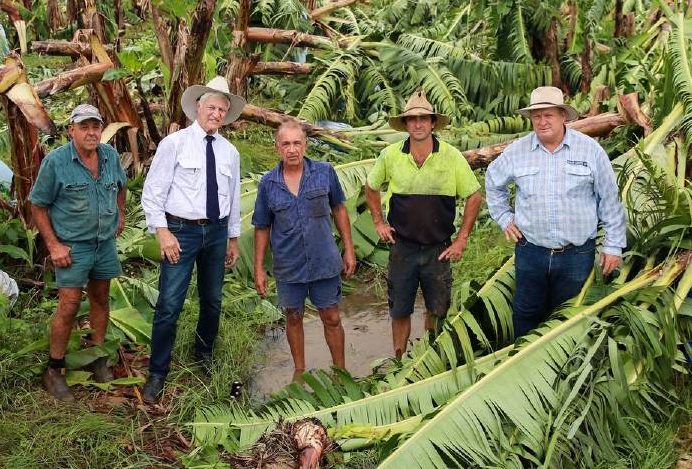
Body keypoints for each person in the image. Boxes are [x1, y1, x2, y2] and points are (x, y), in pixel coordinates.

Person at [485, 86, 627, 338]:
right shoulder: (517, 151)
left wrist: (613, 246)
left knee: (569, 317)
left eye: (548, 114)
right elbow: (493, 181)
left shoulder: (590, 150)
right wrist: (505, 218)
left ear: (563, 115)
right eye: (536, 116)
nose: (541, 121)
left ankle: (567, 372)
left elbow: (609, 199)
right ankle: (523, 366)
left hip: (576, 254)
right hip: (531, 252)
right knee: (527, 312)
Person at [139, 76, 244, 405]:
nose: (216, 113)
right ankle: (158, 372)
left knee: (212, 300)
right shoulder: (175, 144)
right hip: (180, 232)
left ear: (226, 115)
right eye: (211, 107)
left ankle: (204, 354)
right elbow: (152, 193)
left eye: (222, 110)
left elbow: (233, 197)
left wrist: (233, 239)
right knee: (170, 303)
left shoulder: (230, 152)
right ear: (198, 107)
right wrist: (163, 231)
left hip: (216, 232)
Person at [364, 91, 482, 357]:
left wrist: (461, 240)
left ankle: (428, 359)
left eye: (423, 119)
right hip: (402, 248)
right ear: (406, 124)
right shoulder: (390, 155)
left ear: (432, 123)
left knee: (437, 309)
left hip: (437, 249)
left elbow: (474, 196)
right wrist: (379, 222)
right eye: (412, 119)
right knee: (400, 309)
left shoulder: (451, 157)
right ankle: (398, 361)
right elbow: (371, 187)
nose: (418, 124)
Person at [29, 104, 128, 401]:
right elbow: (38, 204)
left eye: (95, 126)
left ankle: (96, 355)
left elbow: (121, 186)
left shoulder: (109, 156)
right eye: (84, 126)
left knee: (100, 298)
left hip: (104, 244)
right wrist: (54, 245)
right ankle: (55, 369)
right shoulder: (57, 162)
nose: (91, 132)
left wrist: (120, 213)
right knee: (69, 304)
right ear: (71, 129)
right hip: (73, 246)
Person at [252, 121, 358, 381]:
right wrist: (258, 268)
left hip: (324, 260)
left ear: (305, 145)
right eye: (285, 144)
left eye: (297, 143)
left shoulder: (324, 172)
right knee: (293, 316)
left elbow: (340, 209)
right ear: (277, 148)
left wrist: (349, 249)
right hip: (289, 265)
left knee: (331, 316)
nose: (292, 149)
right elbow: (262, 226)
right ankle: (299, 371)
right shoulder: (268, 183)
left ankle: (340, 372)